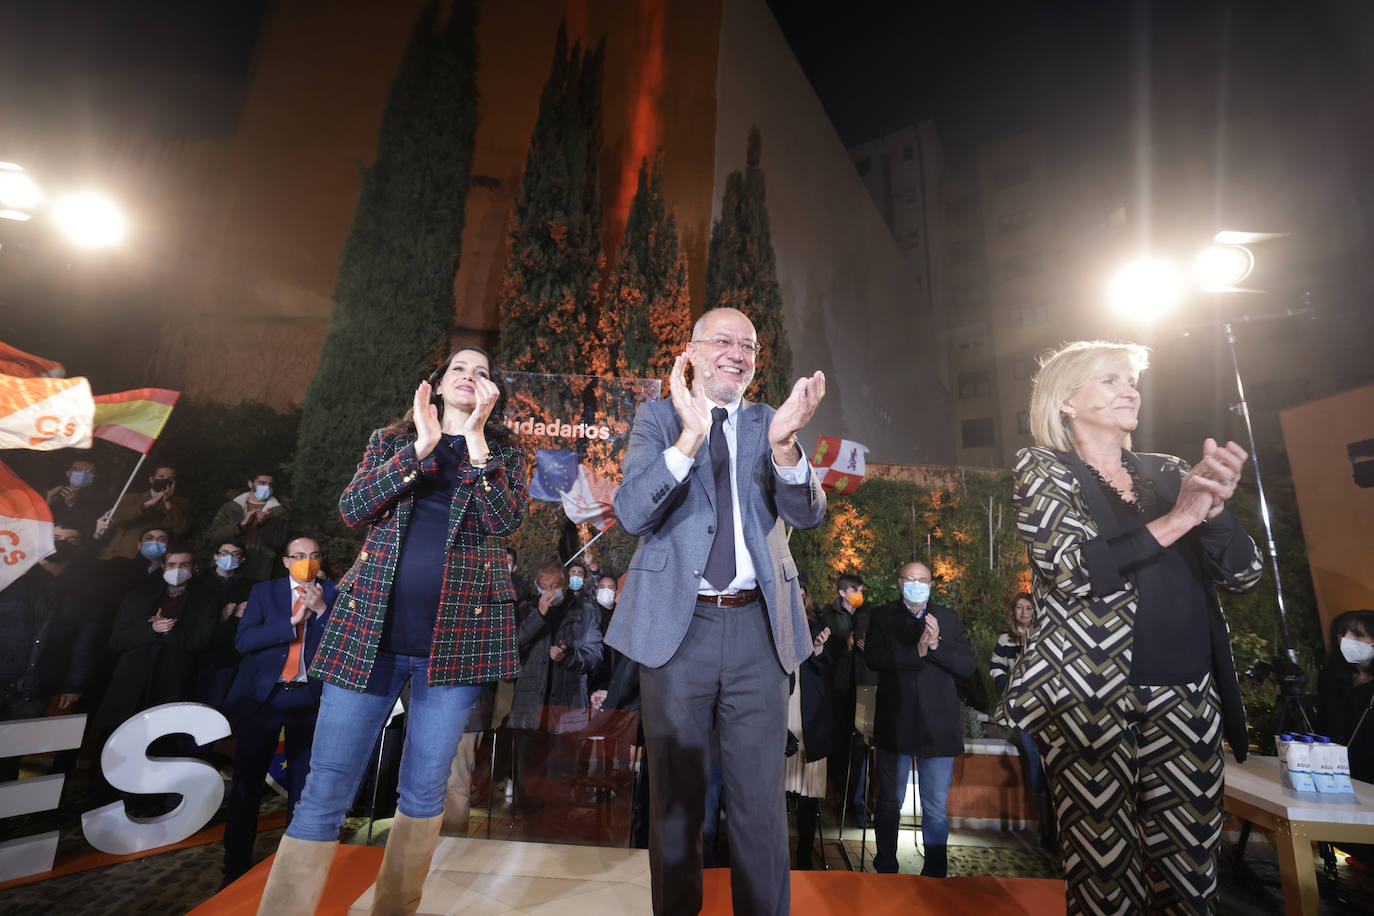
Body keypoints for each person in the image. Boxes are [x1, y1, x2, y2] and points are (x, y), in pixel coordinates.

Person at [254, 346, 526, 916]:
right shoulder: (391, 441)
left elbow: (503, 522)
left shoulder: (502, 453)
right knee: (326, 785)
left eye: (482, 373)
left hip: (453, 647)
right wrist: (421, 450)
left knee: (425, 790)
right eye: (459, 368)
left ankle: (395, 908)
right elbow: (352, 508)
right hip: (369, 637)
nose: (470, 377)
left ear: (493, 393)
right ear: (436, 383)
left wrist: (474, 441)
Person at [995, 340, 1263, 913]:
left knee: (1191, 877)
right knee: (1104, 876)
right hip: (1089, 703)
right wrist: (1180, 517)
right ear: (1066, 400)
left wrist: (1212, 511)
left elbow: (1244, 573)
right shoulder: (1042, 468)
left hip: (1189, 697)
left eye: (1132, 380)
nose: (1130, 390)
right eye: (1110, 380)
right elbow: (1072, 568)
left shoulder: (1170, 473)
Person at [606, 306, 827, 915]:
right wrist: (689, 437)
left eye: (748, 345)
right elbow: (631, 513)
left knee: (760, 801)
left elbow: (808, 513)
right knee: (676, 801)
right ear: (693, 352)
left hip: (761, 630)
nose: (737, 352)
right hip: (677, 632)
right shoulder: (656, 417)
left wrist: (785, 446)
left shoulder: (768, 421)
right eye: (723, 341)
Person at [221, 537, 337, 886]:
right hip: (264, 699)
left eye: (314, 556)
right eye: (299, 556)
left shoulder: (333, 593)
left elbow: (345, 645)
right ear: (286, 561)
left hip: (309, 699)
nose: (307, 562)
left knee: (304, 786)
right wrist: (291, 621)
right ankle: (236, 863)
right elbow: (244, 641)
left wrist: (320, 614)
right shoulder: (264, 592)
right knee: (247, 783)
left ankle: (297, 865)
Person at [864, 561, 974, 877]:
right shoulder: (882, 616)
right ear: (900, 583)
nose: (916, 584)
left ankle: (936, 874)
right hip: (895, 722)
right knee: (888, 804)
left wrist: (936, 645)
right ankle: (886, 867)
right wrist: (917, 651)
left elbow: (966, 667)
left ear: (931, 584)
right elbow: (873, 658)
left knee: (936, 809)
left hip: (938, 728)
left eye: (922, 579)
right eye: (910, 579)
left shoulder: (948, 618)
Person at [507, 563, 603, 813]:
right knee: (528, 779)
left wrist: (568, 656)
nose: (550, 592)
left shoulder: (585, 610)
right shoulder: (527, 609)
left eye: (555, 587)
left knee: (561, 781)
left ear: (565, 585)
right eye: (545, 587)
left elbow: (594, 656)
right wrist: (538, 616)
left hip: (567, 706)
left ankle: (556, 832)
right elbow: (511, 649)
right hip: (530, 709)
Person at [989, 591, 1054, 848]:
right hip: (1020, 710)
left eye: (1028, 607)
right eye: (1019, 607)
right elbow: (995, 667)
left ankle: (1051, 830)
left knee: (1048, 763)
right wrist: (1008, 686)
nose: (1024, 612)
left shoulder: (1043, 636)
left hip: (1044, 708)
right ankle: (1043, 829)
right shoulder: (1006, 639)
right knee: (1033, 763)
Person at [1316, 609, 1374, 870]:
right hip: (1336, 779)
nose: (1347, 639)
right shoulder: (1331, 678)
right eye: (1343, 633)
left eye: (1358, 634)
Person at [788, 576, 836, 870]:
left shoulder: (818, 626)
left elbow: (827, 668)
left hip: (810, 716)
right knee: (776, 790)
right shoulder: (769, 623)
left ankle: (805, 855)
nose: (797, 597)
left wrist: (818, 649)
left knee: (808, 792)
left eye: (801, 593)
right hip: (780, 713)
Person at [194, 541, 257, 713]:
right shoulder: (198, 583)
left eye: (235, 554)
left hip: (229, 656)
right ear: (215, 556)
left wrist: (236, 617)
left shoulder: (252, 587)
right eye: (224, 552)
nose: (229, 557)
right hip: (196, 655)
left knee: (216, 709)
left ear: (242, 559)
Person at [205, 472, 290, 581]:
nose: (267, 487)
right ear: (250, 483)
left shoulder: (279, 512)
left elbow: (279, 543)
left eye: (270, 484)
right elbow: (214, 536)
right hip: (226, 566)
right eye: (262, 483)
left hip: (258, 569)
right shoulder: (231, 507)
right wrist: (241, 525)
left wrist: (263, 524)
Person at [96, 465, 192, 560]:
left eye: (170, 478)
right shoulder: (131, 498)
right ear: (151, 479)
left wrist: (168, 504)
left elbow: (180, 529)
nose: (165, 481)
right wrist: (148, 503)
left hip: (155, 558)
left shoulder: (181, 503)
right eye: (161, 477)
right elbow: (116, 520)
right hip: (122, 553)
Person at [45, 459, 102, 535]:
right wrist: (47, 502)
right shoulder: (55, 491)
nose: (83, 474)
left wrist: (72, 505)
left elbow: (90, 527)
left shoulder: (98, 499)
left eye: (89, 472)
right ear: (68, 473)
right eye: (78, 469)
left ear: (94, 476)